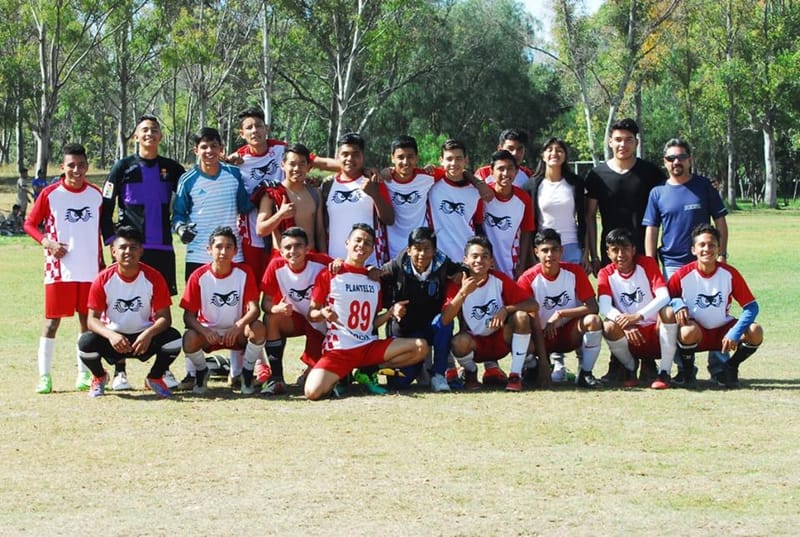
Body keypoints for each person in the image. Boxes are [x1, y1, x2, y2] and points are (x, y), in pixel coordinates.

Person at [100, 114, 185, 390]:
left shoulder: (172, 169)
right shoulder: (122, 167)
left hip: (162, 247)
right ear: (136, 136)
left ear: (160, 137)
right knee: (121, 304)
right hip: (130, 250)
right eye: (144, 130)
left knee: (158, 308)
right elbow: (106, 204)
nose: (149, 134)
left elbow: (192, 191)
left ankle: (161, 370)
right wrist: (113, 240)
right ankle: (120, 370)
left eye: (154, 130)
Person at [304, 224, 428, 400]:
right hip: (341, 349)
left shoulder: (373, 279)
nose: (362, 245)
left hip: (368, 346)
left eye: (367, 243)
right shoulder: (331, 273)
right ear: (347, 243)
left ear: (372, 249)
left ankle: (368, 370)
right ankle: (342, 377)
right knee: (312, 392)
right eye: (358, 240)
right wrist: (323, 313)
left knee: (420, 347)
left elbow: (372, 324)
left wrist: (390, 313)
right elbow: (311, 314)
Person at [585, 118, 665, 382]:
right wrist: (593, 253)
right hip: (610, 252)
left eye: (628, 139)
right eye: (618, 139)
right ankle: (618, 362)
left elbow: (670, 196)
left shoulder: (651, 173)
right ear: (610, 142)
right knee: (616, 305)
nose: (622, 144)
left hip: (643, 250)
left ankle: (650, 360)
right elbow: (589, 216)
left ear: (636, 143)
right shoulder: (597, 174)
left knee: (645, 301)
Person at [23, 143, 103, 394]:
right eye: (71, 165)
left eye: (80, 165)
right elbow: (30, 224)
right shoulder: (50, 194)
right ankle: (44, 376)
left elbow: (103, 231)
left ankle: (83, 373)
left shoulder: (96, 194)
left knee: (86, 323)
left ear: (87, 166)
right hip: (59, 270)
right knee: (51, 322)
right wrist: (47, 242)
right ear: (62, 167)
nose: (76, 170)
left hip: (90, 270)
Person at [77, 226, 182, 398]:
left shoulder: (154, 277)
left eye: (133, 247)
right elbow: (92, 320)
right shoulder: (103, 279)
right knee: (85, 343)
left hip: (143, 338)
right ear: (113, 252)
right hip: (114, 339)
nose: (128, 251)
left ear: (141, 251)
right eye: (123, 247)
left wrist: (148, 334)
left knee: (174, 339)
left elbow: (165, 318)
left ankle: (155, 378)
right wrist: (111, 335)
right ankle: (99, 377)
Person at [442, 236, 545, 391]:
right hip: (474, 344)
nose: (479, 261)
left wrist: (506, 310)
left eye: (485, 257)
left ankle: (516, 375)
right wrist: (462, 293)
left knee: (521, 316)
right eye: (474, 256)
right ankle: (470, 373)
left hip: (501, 340)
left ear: (491, 261)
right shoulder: (457, 284)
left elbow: (533, 305)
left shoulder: (499, 279)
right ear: (465, 260)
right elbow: (445, 319)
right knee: (458, 342)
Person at [668, 224, 763, 389]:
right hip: (697, 333)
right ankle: (688, 373)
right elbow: (665, 297)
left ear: (719, 249)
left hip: (723, 333)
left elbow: (751, 306)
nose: (707, 249)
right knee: (687, 331)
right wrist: (677, 303)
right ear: (693, 250)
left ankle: (730, 368)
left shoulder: (729, 273)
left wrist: (735, 332)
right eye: (702, 245)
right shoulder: (682, 275)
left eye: (712, 245)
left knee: (756, 331)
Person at [180, 226, 266, 395]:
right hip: (209, 332)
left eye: (228, 247)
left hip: (236, 331)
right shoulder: (198, 276)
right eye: (218, 246)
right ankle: (201, 371)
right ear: (209, 250)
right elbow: (188, 316)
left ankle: (247, 375)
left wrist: (239, 325)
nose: (223, 251)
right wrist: (204, 330)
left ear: (235, 251)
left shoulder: (244, 272)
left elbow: (255, 309)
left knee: (258, 328)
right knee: (189, 338)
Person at [379, 227, 462, 392]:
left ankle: (439, 374)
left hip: (432, 327)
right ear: (409, 250)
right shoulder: (396, 267)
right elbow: (376, 275)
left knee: (445, 321)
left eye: (427, 249)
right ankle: (419, 369)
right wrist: (392, 308)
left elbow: (461, 269)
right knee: (399, 384)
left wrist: (461, 272)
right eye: (417, 249)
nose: (422, 254)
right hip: (406, 330)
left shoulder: (442, 264)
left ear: (434, 251)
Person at [517, 229, 603, 388]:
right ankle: (532, 367)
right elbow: (532, 322)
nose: (550, 254)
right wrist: (543, 363)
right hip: (540, 336)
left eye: (554, 249)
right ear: (536, 252)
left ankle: (585, 373)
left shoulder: (574, 271)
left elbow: (593, 306)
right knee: (518, 324)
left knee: (594, 321)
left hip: (568, 334)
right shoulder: (527, 279)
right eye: (545, 250)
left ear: (562, 250)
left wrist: (561, 313)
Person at [597, 228, 678, 389]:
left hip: (655, 332)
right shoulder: (605, 273)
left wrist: (638, 316)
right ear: (608, 253)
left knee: (668, 312)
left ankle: (664, 372)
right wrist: (625, 323)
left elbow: (664, 296)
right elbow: (604, 306)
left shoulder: (647, 264)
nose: (621, 254)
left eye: (625, 248)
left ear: (633, 249)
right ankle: (630, 367)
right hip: (629, 335)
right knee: (608, 325)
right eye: (615, 250)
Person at [172, 127, 251, 280]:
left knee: (236, 301)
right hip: (199, 254)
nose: (209, 151)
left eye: (214, 146)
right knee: (197, 303)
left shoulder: (234, 173)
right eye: (204, 147)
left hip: (232, 253)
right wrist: (181, 228)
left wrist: (265, 192)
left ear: (221, 149)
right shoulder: (187, 179)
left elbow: (245, 206)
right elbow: (178, 214)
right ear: (196, 150)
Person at [260, 226, 331, 395]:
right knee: (271, 318)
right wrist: (277, 308)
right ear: (281, 251)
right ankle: (276, 378)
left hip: (323, 320)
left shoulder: (322, 262)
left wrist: (369, 270)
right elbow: (266, 303)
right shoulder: (275, 265)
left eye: (298, 246)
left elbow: (348, 268)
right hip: (296, 318)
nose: (293, 251)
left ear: (307, 248)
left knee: (318, 379)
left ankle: (314, 369)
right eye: (288, 247)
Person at [643, 138, 729, 279]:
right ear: (665, 162)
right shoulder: (657, 192)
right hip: (672, 264)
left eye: (681, 157)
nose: (676, 162)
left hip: (704, 260)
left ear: (689, 159)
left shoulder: (705, 186)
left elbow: (720, 221)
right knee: (675, 301)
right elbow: (651, 230)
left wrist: (722, 254)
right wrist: (650, 263)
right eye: (671, 158)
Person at [321, 132, 394, 266]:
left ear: (363, 156)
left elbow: (389, 219)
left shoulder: (374, 181)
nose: (350, 158)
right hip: (335, 264)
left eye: (355, 154)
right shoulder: (327, 186)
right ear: (338, 156)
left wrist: (375, 194)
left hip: (369, 265)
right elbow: (321, 225)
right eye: (345, 154)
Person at [524, 137, 589, 270]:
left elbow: (585, 219)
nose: (554, 153)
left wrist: (586, 252)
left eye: (559, 150)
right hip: (545, 248)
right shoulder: (532, 185)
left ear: (565, 156)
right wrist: (532, 255)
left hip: (571, 246)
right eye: (550, 150)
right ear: (543, 155)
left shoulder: (576, 183)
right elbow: (529, 225)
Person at [254, 143, 327, 254]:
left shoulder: (315, 193)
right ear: (283, 165)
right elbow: (260, 230)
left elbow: (320, 232)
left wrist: (324, 258)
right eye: (292, 164)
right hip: (283, 260)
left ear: (309, 167)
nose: (297, 169)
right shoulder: (272, 193)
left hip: (311, 259)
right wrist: (280, 215)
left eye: (302, 164)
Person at [480, 150, 535, 278]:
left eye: (510, 169)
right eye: (501, 169)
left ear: (516, 172)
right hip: (485, 265)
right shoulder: (483, 195)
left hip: (511, 264)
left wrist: (521, 266)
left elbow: (526, 232)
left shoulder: (523, 198)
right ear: (491, 171)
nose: (505, 173)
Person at [382, 135, 437, 259]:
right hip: (392, 249)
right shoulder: (384, 180)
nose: (406, 162)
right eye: (400, 157)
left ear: (417, 158)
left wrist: (478, 182)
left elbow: (454, 172)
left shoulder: (427, 177)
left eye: (410, 156)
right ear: (392, 158)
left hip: (421, 250)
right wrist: (382, 172)